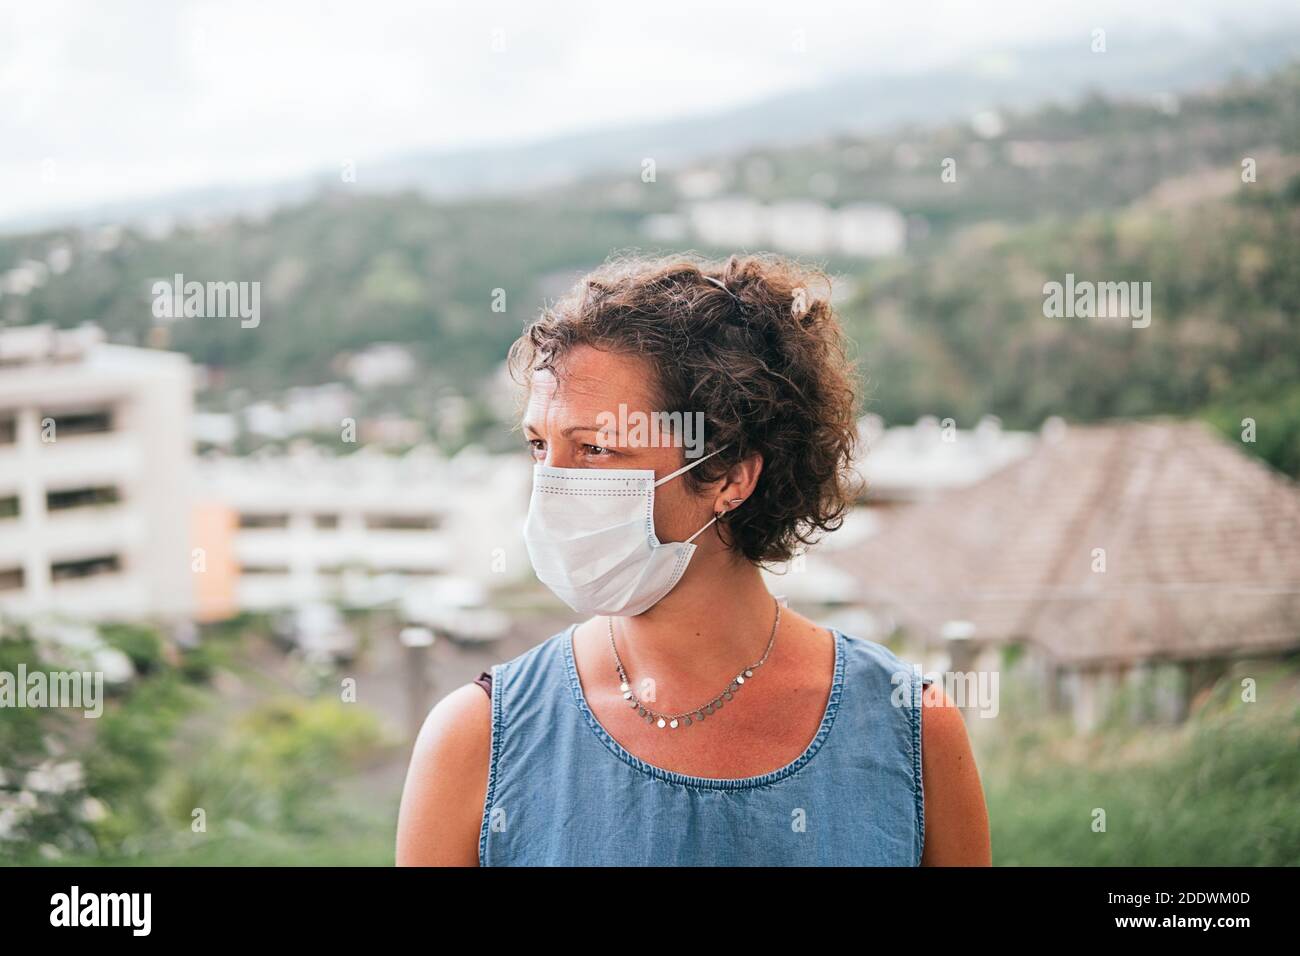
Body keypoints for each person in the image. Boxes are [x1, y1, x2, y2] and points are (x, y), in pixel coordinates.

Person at [396, 252, 991, 866]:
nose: (550, 486)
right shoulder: (477, 739)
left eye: (596, 449)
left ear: (729, 474)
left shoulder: (911, 732)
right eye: (539, 446)